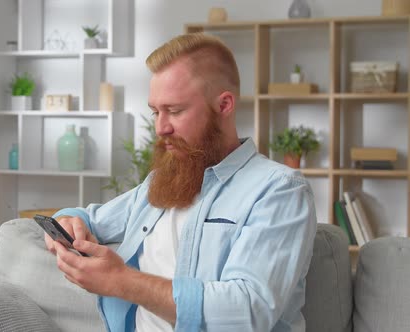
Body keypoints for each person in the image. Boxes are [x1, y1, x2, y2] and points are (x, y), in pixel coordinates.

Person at [45, 33, 317, 332]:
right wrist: (67, 222)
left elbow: (247, 311)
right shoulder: (160, 184)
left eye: (174, 111)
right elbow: (87, 218)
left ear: (224, 105)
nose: (160, 127)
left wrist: (122, 281)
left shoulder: (279, 189)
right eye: (155, 111)